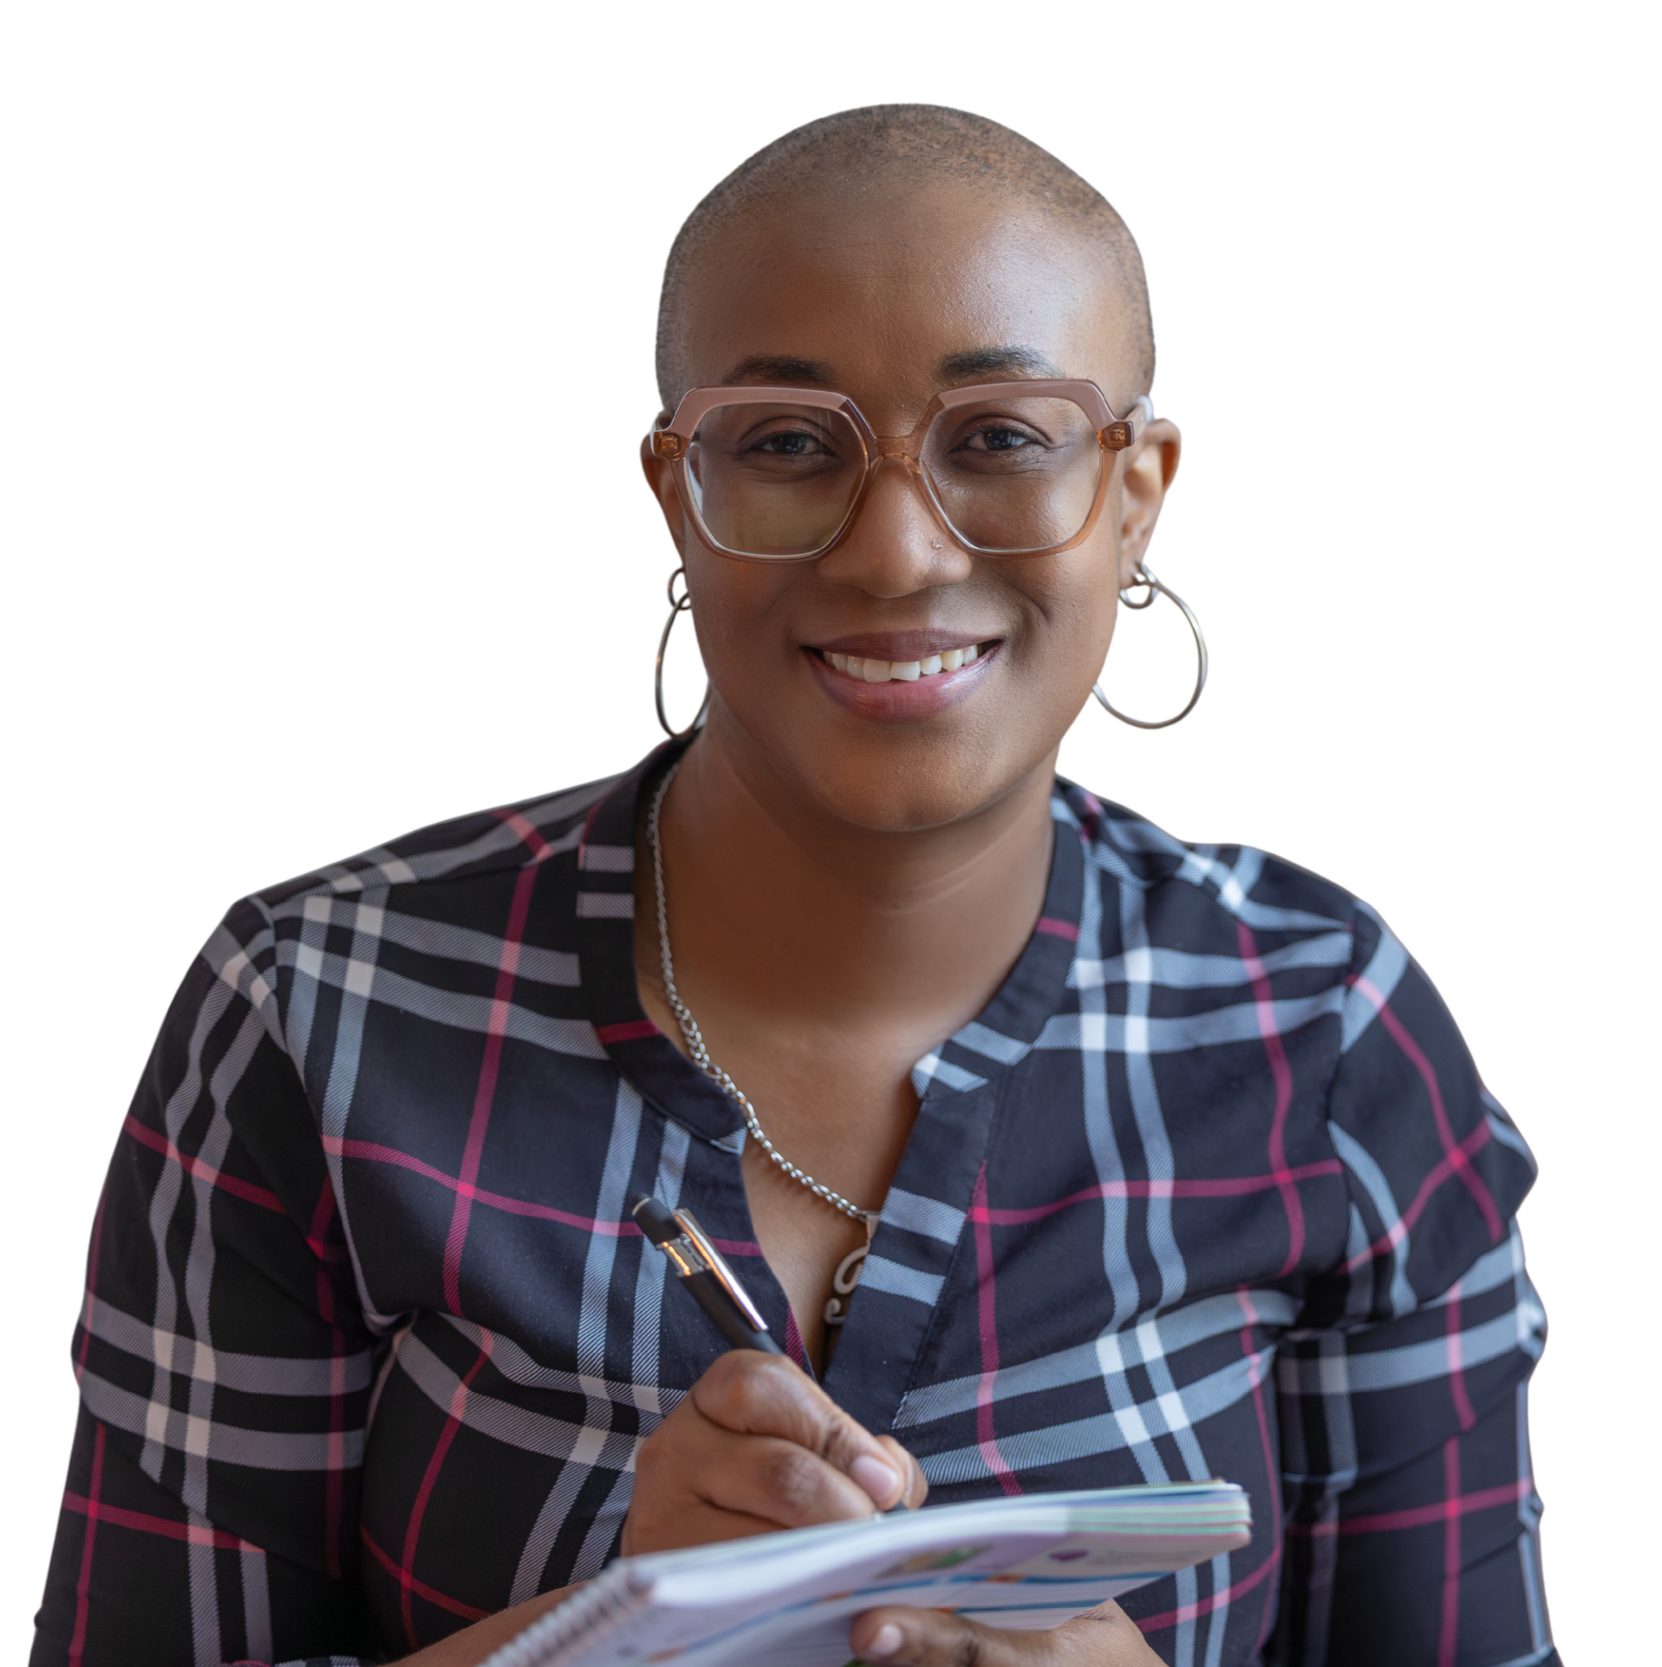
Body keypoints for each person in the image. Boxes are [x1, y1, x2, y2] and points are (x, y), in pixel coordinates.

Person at [31, 105, 1558, 1667]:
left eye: (1004, 436)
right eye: (783, 443)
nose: (895, 552)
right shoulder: (311, 1007)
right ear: (674, 495)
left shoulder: (1328, 1024)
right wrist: (604, 1645)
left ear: (1136, 490)